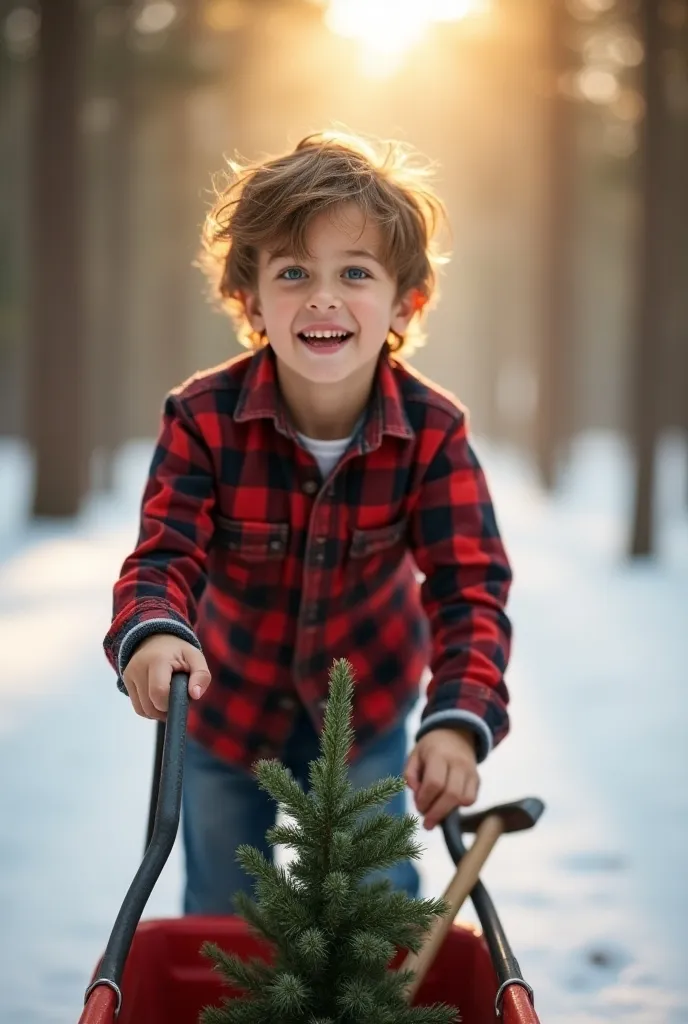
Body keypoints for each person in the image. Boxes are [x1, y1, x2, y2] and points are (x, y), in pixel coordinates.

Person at [103, 130, 513, 915]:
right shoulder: (202, 418)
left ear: (405, 302)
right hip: (228, 715)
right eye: (294, 273)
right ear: (252, 301)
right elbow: (165, 554)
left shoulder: (433, 430)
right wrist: (154, 628)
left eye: (354, 273)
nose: (323, 297)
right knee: (227, 916)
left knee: (375, 906)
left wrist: (458, 720)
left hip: (367, 717)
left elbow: (471, 589)